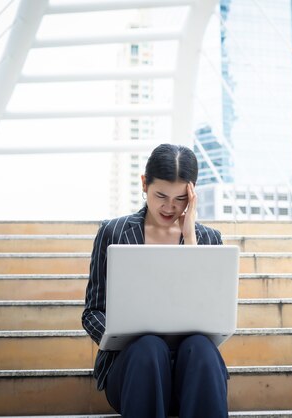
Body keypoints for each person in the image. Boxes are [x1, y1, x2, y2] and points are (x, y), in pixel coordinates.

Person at [81, 143, 229, 418]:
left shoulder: (210, 240)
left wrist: (191, 238)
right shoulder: (113, 232)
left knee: (201, 349)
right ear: (144, 184)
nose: (169, 207)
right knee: (148, 347)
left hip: (193, 374)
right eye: (161, 195)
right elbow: (92, 312)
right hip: (136, 371)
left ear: (193, 193)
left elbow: (212, 314)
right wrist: (120, 335)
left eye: (180, 198)